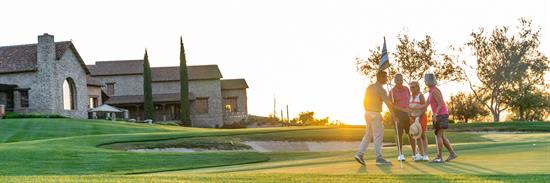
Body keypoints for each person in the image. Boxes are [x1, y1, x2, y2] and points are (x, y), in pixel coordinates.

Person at [355, 71, 410, 166]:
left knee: (368, 135)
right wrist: (394, 116)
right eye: (385, 77)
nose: (387, 79)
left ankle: (360, 154)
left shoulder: (369, 87)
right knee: (378, 136)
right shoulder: (382, 90)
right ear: (380, 78)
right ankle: (379, 158)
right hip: (375, 114)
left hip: (367, 113)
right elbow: (389, 105)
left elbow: (364, 101)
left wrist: (368, 110)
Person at [416, 73, 458, 163]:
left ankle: (439, 157)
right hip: (439, 115)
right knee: (441, 136)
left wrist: (435, 114)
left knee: (438, 135)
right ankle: (452, 153)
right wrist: (413, 108)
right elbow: (425, 104)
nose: (424, 81)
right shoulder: (431, 91)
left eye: (425, 79)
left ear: (429, 80)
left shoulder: (435, 90)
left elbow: (440, 104)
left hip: (441, 114)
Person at [388, 74, 415, 161]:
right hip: (398, 115)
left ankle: (414, 154)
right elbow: (391, 106)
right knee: (399, 135)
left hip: (407, 114)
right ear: (395, 81)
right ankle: (400, 154)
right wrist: (394, 116)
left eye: (401, 80)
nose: (400, 82)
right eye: (398, 80)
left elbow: (408, 101)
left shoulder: (406, 89)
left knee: (411, 134)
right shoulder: (392, 92)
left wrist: (410, 113)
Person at [408, 81, 429, 161]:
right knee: (417, 136)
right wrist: (410, 116)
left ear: (417, 87)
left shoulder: (420, 96)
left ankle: (425, 155)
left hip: (421, 117)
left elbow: (425, 108)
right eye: (411, 87)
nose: (411, 89)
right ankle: (421, 154)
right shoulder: (410, 97)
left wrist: (418, 116)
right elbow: (409, 108)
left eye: (413, 87)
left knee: (423, 135)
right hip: (413, 119)